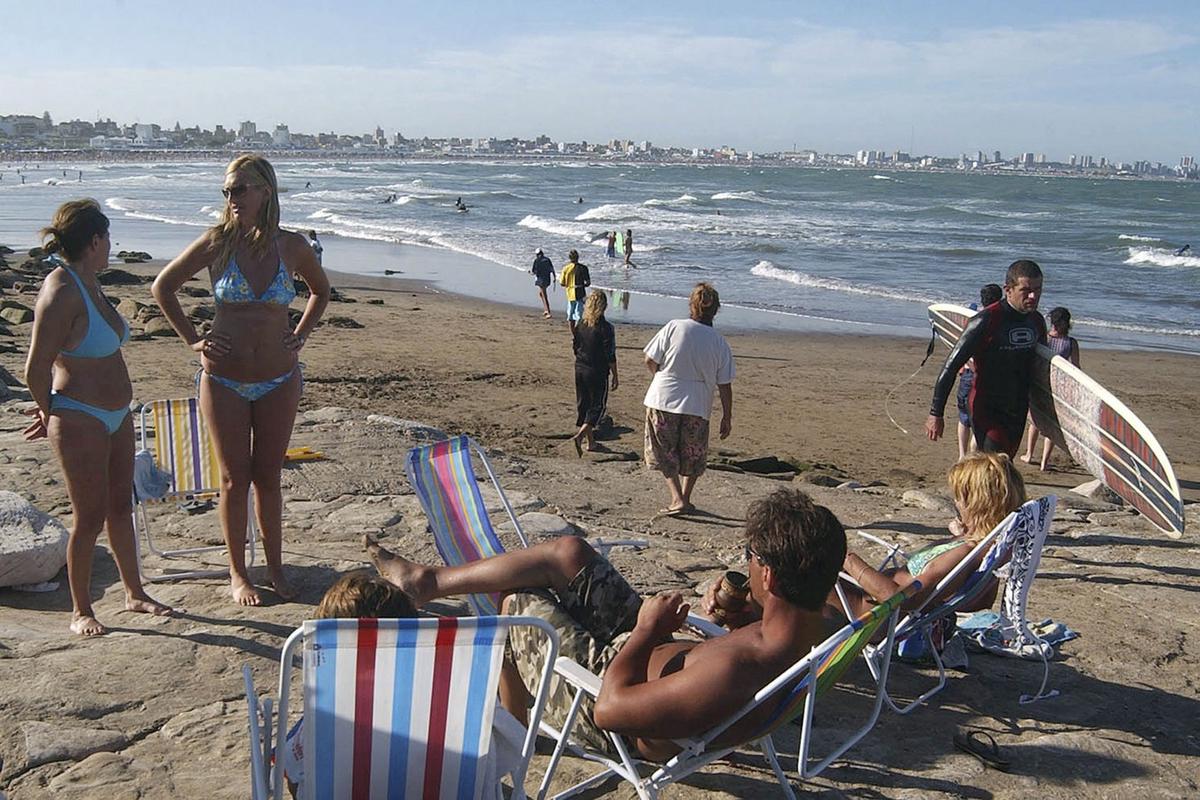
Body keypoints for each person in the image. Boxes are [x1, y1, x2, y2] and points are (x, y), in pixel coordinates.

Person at [364, 486, 846, 761]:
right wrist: (738, 618)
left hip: (604, 692)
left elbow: (611, 712)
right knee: (568, 553)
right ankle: (428, 582)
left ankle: (516, 739)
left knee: (517, 604)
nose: (746, 561)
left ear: (770, 575)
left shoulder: (735, 672)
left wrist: (648, 633)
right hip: (645, 656)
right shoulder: (819, 625)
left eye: (751, 556)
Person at [152, 154, 331, 606]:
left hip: (279, 377)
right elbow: (163, 286)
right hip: (224, 380)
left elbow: (321, 291)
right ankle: (238, 574)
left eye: (241, 189)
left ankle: (275, 568)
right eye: (227, 191)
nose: (232, 198)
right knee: (233, 479)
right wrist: (194, 340)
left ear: (265, 191)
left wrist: (300, 334)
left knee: (268, 476)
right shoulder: (217, 243)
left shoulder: (291, 246)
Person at [23, 200, 172, 635]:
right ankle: (81, 610)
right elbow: (35, 367)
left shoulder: (91, 281)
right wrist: (48, 411)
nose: (111, 247)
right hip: (78, 416)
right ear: (94, 241)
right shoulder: (61, 290)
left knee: (120, 507)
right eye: (108, 239)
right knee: (88, 516)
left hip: (117, 414)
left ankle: (135, 593)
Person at [704, 453, 1024, 627]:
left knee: (788, 569)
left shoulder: (964, 554)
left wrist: (848, 561)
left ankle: (731, 610)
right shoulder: (984, 547)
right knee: (785, 569)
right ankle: (733, 606)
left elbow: (906, 600)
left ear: (979, 502)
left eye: (961, 498)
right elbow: (978, 598)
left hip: (864, 612)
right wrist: (963, 532)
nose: (956, 503)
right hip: (860, 602)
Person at [926, 260, 1046, 457]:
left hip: (1018, 409)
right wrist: (935, 413)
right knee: (995, 464)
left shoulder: (1036, 322)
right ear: (1008, 289)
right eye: (1026, 290)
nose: (1033, 296)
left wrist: (1043, 413)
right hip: (987, 406)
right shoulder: (986, 320)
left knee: (1005, 462)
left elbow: (1041, 372)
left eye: (1038, 289)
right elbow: (950, 366)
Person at [643, 282, 734, 516]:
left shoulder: (675, 327)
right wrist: (727, 415)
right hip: (698, 401)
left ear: (692, 305)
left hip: (664, 395)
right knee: (692, 452)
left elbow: (650, 358)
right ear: (716, 310)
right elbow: (725, 384)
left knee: (664, 448)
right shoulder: (718, 341)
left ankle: (677, 497)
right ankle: (685, 497)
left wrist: (660, 375)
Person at [1023, 307, 1081, 471]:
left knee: (1035, 420)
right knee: (1052, 424)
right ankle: (1044, 462)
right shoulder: (1070, 343)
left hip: (1040, 383)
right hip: (1058, 388)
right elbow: (1076, 368)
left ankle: (1029, 454)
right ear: (1067, 323)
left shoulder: (1043, 339)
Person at [956, 283, 1003, 461]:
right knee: (980, 420)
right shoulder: (997, 322)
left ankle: (962, 456)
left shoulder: (973, 319)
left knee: (964, 418)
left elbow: (961, 347)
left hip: (968, 374)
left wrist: (961, 366)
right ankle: (973, 455)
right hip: (985, 377)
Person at [571, 292, 618, 456]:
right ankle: (581, 436)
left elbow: (575, 347)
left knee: (584, 405)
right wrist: (615, 375)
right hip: (597, 371)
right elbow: (610, 353)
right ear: (603, 307)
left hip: (580, 367)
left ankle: (591, 442)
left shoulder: (581, 324)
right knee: (597, 406)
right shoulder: (606, 328)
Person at [558, 249, 591, 334]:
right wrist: (582, 285)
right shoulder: (583, 268)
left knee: (570, 316)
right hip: (580, 294)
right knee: (579, 316)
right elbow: (588, 282)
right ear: (578, 257)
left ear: (569, 258)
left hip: (570, 294)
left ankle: (573, 334)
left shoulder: (566, 268)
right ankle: (577, 334)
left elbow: (562, 283)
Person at [530, 248, 555, 319]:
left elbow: (534, 271)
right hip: (547, 279)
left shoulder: (537, 261)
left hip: (541, 280)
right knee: (541, 294)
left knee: (544, 295)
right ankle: (546, 310)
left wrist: (531, 273)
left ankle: (549, 312)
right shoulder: (547, 260)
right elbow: (552, 269)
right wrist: (554, 277)